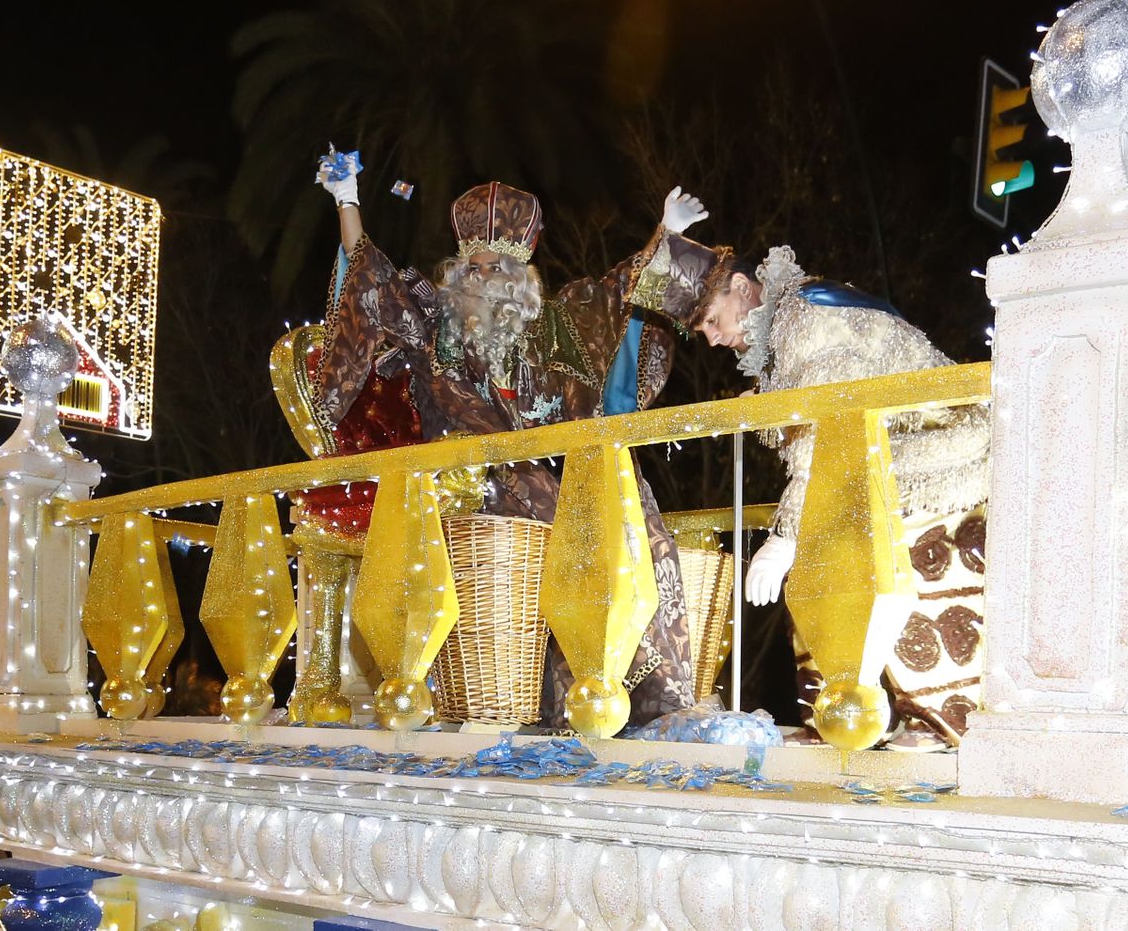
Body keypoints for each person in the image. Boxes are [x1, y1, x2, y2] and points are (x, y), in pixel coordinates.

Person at [312, 148, 724, 727]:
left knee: (630, 505)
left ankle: (635, 686)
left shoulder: (547, 333)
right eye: (476, 268)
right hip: (461, 483)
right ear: (457, 274)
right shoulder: (433, 324)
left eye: (502, 270)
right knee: (564, 513)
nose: (488, 280)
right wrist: (347, 200)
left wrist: (667, 234)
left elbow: (614, 298)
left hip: (541, 476)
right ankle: (574, 685)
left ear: (522, 282)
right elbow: (369, 277)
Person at [672, 243, 991, 748]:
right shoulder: (784, 325)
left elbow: (824, 435)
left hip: (942, 455)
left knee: (892, 571)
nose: (712, 340)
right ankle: (839, 714)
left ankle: (939, 721)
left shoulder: (806, 317)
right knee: (827, 568)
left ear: (739, 287)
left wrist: (787, 537)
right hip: (886, 462)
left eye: (713, 321)